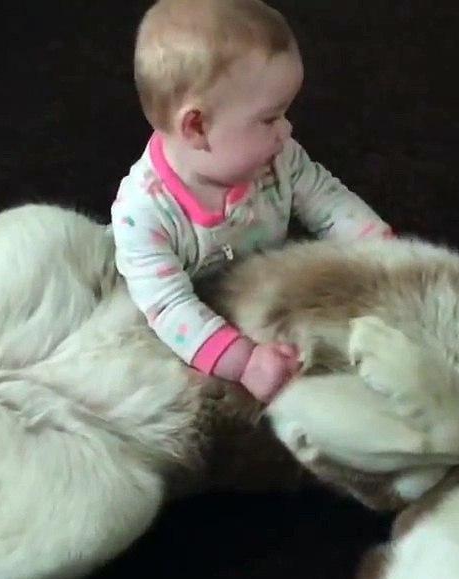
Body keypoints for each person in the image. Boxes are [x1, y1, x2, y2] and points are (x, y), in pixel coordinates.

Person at [111, 0, 393, 404]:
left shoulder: (278, 156)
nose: (287, 129)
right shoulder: (142, 216)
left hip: (263, 284)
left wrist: (381, 250)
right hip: (204, 315)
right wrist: (243, 362)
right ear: (197, 126)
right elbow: (169, 307)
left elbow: (326, 200)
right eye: (270, 118)